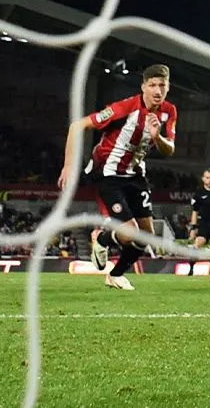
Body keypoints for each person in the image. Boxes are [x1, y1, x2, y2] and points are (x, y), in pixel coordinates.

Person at [59, 64, 177, 290]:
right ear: (143, 87)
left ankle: (116, 275)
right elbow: (77, 126)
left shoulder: (169, 111)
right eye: (152, 85)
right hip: (109, 175)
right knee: (129, 233)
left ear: (168, 87)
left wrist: (157, 136)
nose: (157, 90)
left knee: (146, 237)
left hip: (136, 175)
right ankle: (102, 238)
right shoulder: (124, 108)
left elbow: (169, 149)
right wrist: (68, 166)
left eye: (162, 85)